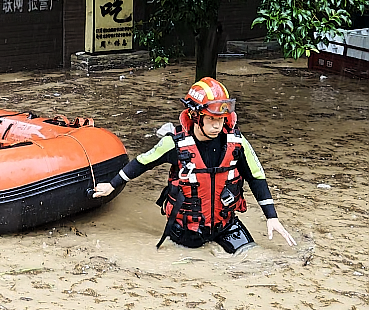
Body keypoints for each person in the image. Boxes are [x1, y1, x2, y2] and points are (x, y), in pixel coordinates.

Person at [93, 77, 296, 254]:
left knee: (253, 258)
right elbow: (143, 162)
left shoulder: (237, 142)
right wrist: (112, 185)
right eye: (211, 119)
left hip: (226, 224)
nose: (218, 126)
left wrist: (272, 217)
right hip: (187, 229)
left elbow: (256, 176)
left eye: (221, 119)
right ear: (196, 117)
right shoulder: (174, 144)